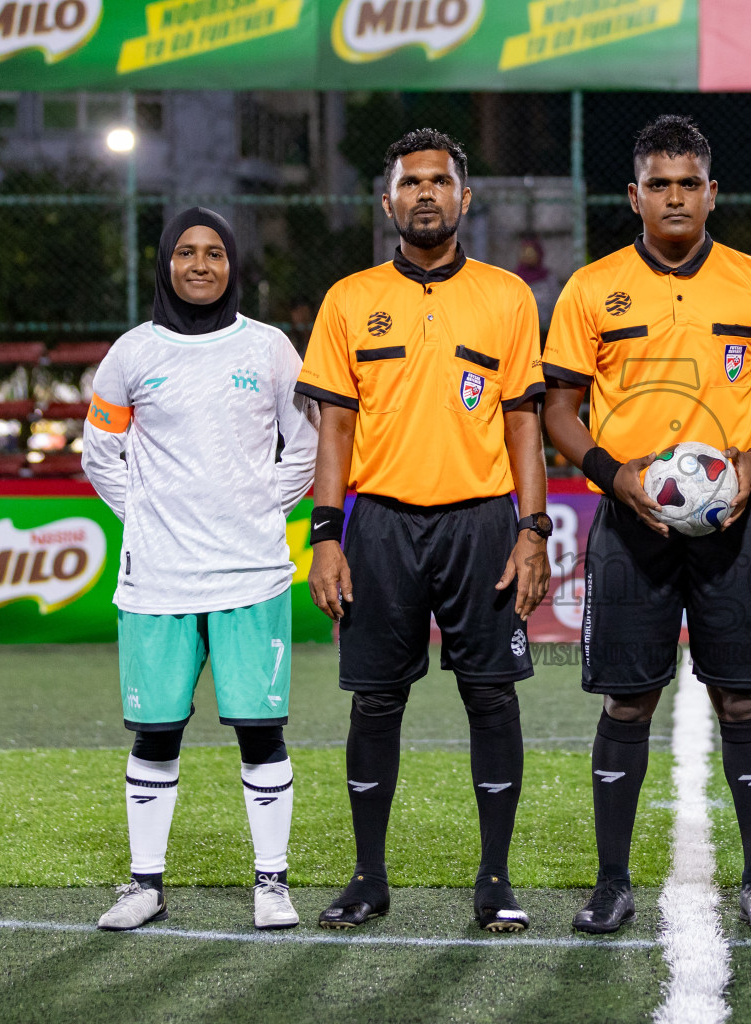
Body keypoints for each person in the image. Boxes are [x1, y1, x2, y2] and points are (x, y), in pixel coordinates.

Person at [542, 115, 751, 934]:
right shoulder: (592, 288)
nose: (673, 197)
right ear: (633, 195)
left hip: (737, 523)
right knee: (628, 704)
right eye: (657, 184)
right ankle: (611, 883)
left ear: (712, 193)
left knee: (743, 701)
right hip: (629, 527)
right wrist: (614, 477)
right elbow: (559, 408)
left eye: (687, 183)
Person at [297, 128, 550, 933]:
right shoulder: (348, 299)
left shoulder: (507, 296)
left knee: (491, 698)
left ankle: (495, 879)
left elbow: (523, 426)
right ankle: (368, 878)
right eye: (412, 183)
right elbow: (334, 431)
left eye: (441, 181)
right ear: (388, 201)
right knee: (375, 703)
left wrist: (533, 528)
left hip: (481, 524)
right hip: (379, 528)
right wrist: (325, 535)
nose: (427, 194)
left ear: (465, 198)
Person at [83, 207, 319, 932]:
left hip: (252, 574)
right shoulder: (131, 353)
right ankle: (145, 885)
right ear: (165, 263)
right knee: (155, 734)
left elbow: (305, 447)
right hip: (157, 579)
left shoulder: (272, 349)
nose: (200, 265)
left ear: (232, 265)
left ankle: (271, 884)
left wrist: (255, 509)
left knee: (260, 731)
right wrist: (149, 515)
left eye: (214, 253)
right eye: (185, 252)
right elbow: (99, 454)